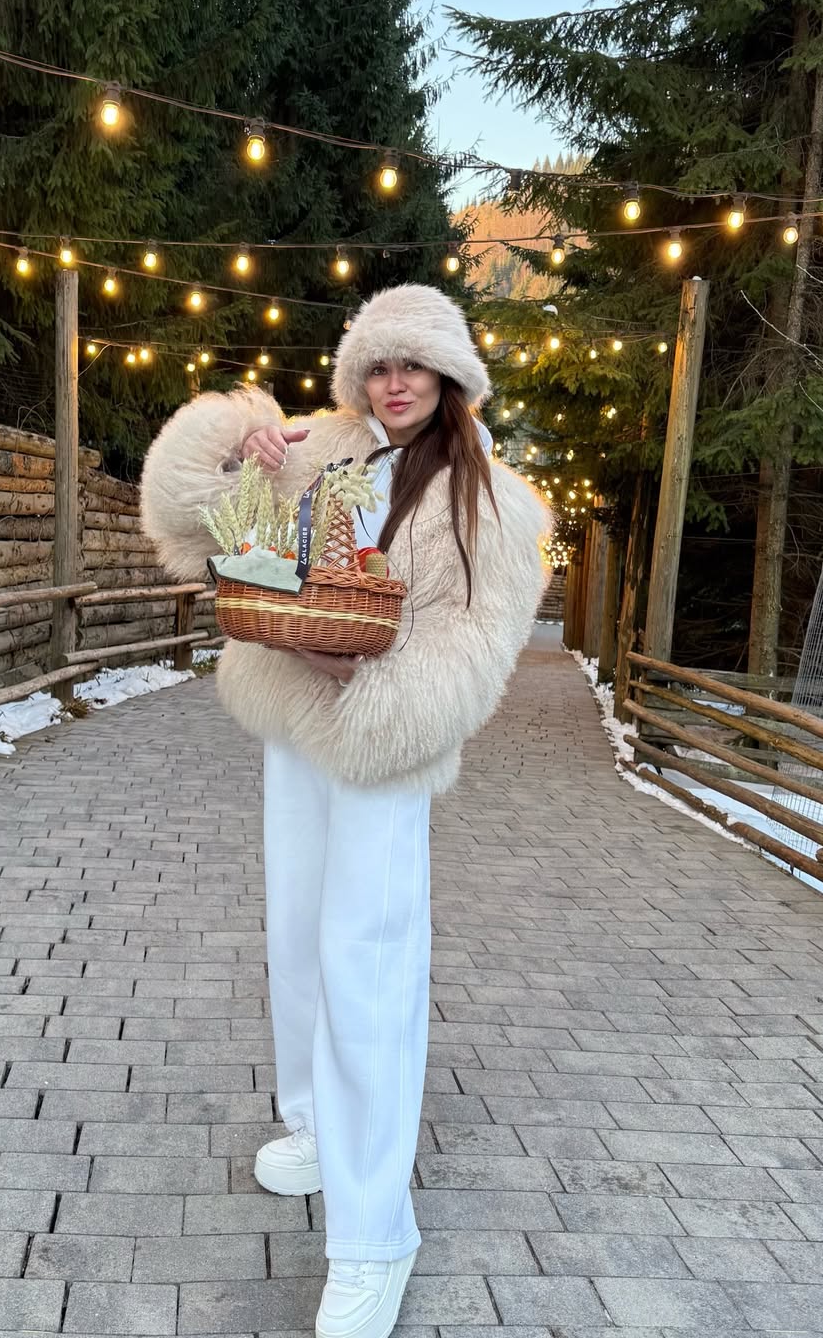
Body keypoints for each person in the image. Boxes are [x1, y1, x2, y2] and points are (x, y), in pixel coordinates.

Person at [140, 284, 550, 1338]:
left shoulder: (493, 500)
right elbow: (197, 531)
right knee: (295, 938)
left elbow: (472, 648)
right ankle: (317, 1123)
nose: (394, 382)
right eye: (377, 364)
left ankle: (376, 1237)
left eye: (413, 364)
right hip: (294, 725)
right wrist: (237, 448)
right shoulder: (320, 448)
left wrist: (367, 689)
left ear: (451, 375)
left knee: (369, 966)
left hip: (380, 744)